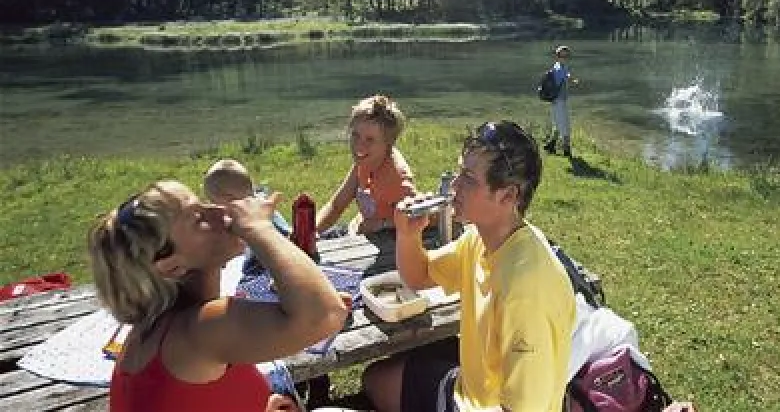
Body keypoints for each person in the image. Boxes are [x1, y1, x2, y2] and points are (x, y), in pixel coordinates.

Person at [362, 120, 576, 412]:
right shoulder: (480, 238)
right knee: (373, 378)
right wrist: (408, 234)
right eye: (460, 172)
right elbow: (419, 275)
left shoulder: (526, 288)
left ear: (508, 196)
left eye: (469, 179)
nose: (454, 186)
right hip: (468, 389)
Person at [88, 180, 349, 412]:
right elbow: (325, 314)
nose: (220, 210)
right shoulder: (199, 330)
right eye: (198, 217)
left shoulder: (154, 328)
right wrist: (258, 228)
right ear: (171, 267)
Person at [316, 94, 416, 236]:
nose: (359, 145)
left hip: (385, 246)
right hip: (357, 233)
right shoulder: (364, 162)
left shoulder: (397, 180)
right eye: (355, 135)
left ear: (388, 144)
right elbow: (336, 205)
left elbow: (418, 217)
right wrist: (310, 232)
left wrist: (382, 224)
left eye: (370, 140)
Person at [544, 45, 579, 157]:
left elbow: (566, 74)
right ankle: (567, 151)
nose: (564, 58)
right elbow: (564, 75)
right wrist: (572, 80)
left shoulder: (559, 66)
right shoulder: (559, 69)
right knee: (565, 126)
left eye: (566, 56)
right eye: (562, 56)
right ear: (557, 57)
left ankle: (550, 145)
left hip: (558, 100)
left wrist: (571, 78)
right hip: (559, 101)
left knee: (558, 124)